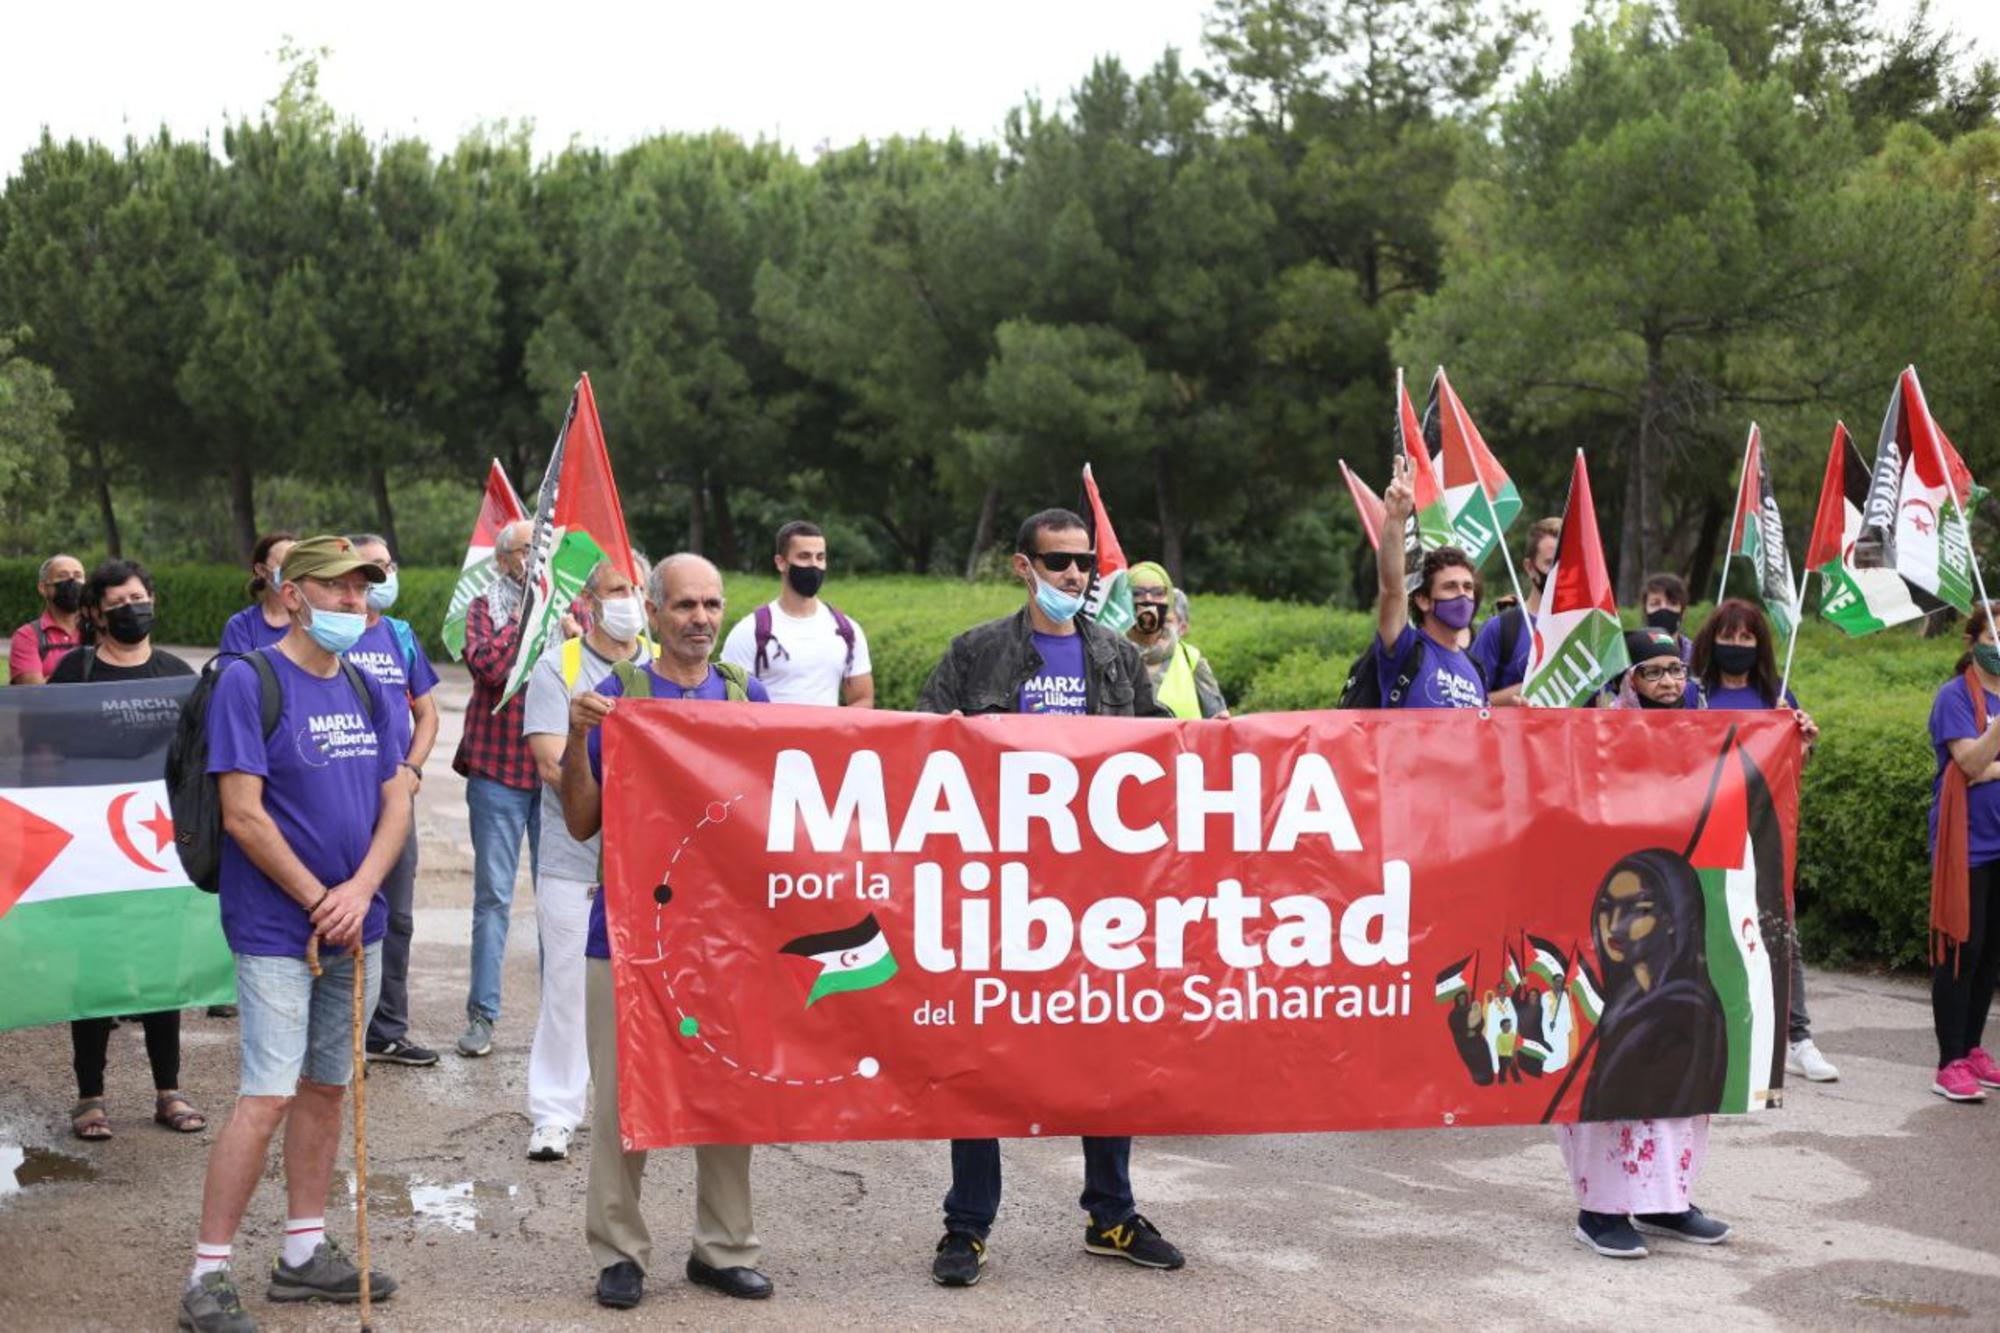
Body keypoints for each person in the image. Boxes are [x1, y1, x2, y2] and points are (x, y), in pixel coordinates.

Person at [915, 507, 1182, 1287]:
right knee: (981, 1052)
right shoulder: (975, 654)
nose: (1075, 576)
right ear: (1022, 567)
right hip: (998, 893)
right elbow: (919, 754)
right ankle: (966, 1227)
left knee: (1108, 1045)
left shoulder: (1117, 660)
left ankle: (1112, 1214)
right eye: (1059, 561)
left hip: (1099, 898)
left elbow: (1163, 754)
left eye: (1084, 564)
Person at [179, 535, 407, 1332]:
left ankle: (302, 1253)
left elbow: (398, 799)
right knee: (268, 1094)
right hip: (280, 927)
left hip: (357, 923)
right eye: (339, 589)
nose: (356, 603)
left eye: (364, 590)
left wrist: (363, 888)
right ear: (295, 591)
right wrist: (323, 899)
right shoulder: (250, 679)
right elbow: (242, 813)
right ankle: (207, 1275)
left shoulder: (368, 685)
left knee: (325, 1087)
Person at [560, 554, 776, 1307]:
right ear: (653, 614)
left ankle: (724, 1246)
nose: (702, 618)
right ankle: (619, 1252)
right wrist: (572, 739)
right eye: (685, 604)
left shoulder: (752, 698)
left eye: (713, 604)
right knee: (624, 1100)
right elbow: (581, 819)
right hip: (627, 934)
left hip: (727, 939)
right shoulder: (617, 698)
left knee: (730, 1090)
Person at [48, 558, 204, 1142]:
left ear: (153, 600)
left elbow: (196, 759)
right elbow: (41, 755)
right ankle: (89, 1096)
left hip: (158, 849)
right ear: (94, 614)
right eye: (116, 604)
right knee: (94, 969)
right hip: (91, 849)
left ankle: (169, 1090)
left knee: (162, 966)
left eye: (137, 597)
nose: (130, 609)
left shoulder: (177, 675)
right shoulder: (73, 674)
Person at [520, 558, 653, 1164]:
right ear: (590, 602)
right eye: (619, 589)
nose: (631, 599)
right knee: (568, 985)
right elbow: (550, 764)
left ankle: (638, 1107)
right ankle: (554, 1114)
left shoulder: (657, 663)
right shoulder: (561, 666)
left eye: (640, 589)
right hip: (576, 860)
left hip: (648, 865)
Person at [1691, 599, 1836, 1083]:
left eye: (1746, 638)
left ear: (1761, 645)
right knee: (1701, 930)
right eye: (1728, 637)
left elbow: (1790, 771)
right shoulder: (1695, 695)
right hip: (1703, 832)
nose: (1736, 646)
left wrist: (1803, 742)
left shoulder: (1776, 697)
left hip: (1762, 837)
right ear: (1712, 641)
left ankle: (1797, 1039)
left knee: (1779, 930)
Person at [341, 534, 443, 1069]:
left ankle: (387, 1030)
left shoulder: (400, 636)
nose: (381, 578)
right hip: (340, 800)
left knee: (396, 917)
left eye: (386, 566)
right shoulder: (331, 637)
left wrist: (412, 768)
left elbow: (427, 713)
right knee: (340, 910)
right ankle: (339, 1032)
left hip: (394, 802)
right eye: (368, 570)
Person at [453, 518, 542, 1058]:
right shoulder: (485, 606)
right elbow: (489, 668)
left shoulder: (573, 607)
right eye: (527, 551)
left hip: (556, 775)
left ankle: (564, 1020)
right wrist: (529, 615)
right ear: (505, 558)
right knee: (494, 900)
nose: (535, 560)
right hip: (498, 772)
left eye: (541, 551)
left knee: (559, 899)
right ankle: (482, 1017)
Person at [1924, 605, 2000, 1103]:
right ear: (1974, 643)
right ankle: (1949, 1059)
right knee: (1961, 951)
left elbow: (1981, 766)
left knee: (1992, 953)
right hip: (1965, 843)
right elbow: (1969, 761)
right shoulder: (1954, 697)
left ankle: (1973, 1047)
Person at [1374, 454, 1488, 710]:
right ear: (1423, 600)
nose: (1463, 596)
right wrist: (1396, 519)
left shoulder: (1476, 670)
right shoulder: (1405, 649)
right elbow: (1392, 590)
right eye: (1450, 587)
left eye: (1468, 587)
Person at [720, 520, 874, 707]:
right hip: (771, 736)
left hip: (828, 736)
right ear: (781, 563)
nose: (814, 565)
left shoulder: (847, 630)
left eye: (820, 557)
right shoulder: (748, 632)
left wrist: (834, 734)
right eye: (804, 556)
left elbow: (862, 699)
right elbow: (732, 707)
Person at [1470, 517, 1559, 706]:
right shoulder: (1500, 628)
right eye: (1550, 564)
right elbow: (1469, 701)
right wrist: (1519, 692)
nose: (1558, 572)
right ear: (1529, 567)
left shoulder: (1588, 628)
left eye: (1566, 562)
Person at [1125, 560, 1227, 719]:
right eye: (1137, 593)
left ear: (1169, 600)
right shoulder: (1109, 656)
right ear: (1123, 599)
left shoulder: (1191, 659)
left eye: (1158, 593)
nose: (1149, 599)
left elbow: (1218, 719)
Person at [9, 552, 86, 684]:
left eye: (78, 576)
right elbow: (36, 693)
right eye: (63, 576)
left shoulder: (98, 629)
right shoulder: (27, 636)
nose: (72, 581)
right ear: (43, 588)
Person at [219, 533, 299, 656]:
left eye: (298, 563)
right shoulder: (242, 626)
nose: (293, 570)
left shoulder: (314, 623)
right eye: (285, 563)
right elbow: (233, 674)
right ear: (262, 570)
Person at [1641, 573, 1694, 660]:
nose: (1663, 608)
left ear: (1683, 612)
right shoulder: (1629, 655)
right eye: (1655, 603)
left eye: (1672, 603)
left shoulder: (1696, 657)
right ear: (1645, 611)